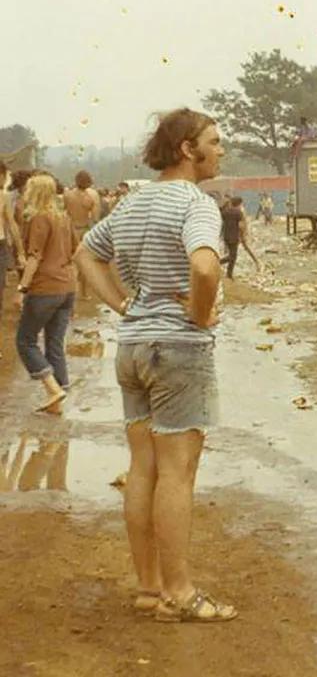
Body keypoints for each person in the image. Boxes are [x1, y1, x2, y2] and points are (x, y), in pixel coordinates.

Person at [74, 107, 237, 623]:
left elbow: (86, 253)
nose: (222, 149)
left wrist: (123, 306)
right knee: (177, 473)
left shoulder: (133, 204)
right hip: (178, 349)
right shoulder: (197, 204)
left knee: (142, 467)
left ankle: (148, 587)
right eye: (214, 141)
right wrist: (200, 311)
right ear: (188, 149)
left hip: (134, 345)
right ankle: (181, 592)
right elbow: (204, 264)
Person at [13, 174, 77, 414]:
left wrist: (22, 288)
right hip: (66, 286)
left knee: (25, 341)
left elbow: (35, 256)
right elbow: (75, 250)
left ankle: (52, 388)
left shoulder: (39, 218)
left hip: (45, 287)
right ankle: (57, 399)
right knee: (54, 343)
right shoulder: (63, 217)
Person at [1, 162, 27, 351]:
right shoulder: (5, 197)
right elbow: (13, 223)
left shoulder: (3, 197)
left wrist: (18, 250)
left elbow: (11, 224)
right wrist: (20, 250)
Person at [63, 171, 100, 299]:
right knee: (84, 263)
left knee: (69, 263)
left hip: (69, 230)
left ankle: (69, 294)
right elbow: (95, 217)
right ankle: (84, 293)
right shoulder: (92, 196)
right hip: (84, 230)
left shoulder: (67, 195)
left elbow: (64, 213)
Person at [220, 197, 246, 279]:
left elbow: (222, 223)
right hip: (234, 237)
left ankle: (229, 274)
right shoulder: (239, 213)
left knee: (232, 255)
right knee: (233, 256)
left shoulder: (225, 212)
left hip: (226, 236)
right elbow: (241, 226)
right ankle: (221, 266)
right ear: (239, 204)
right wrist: (242, 236)